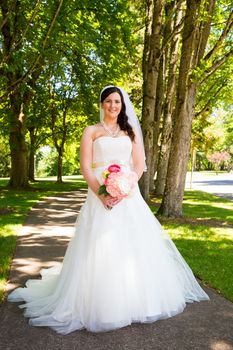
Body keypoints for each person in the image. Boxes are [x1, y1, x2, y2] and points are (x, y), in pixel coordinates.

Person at [8, 86, 209, 334]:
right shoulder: (91, 131)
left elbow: (139, 165)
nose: (113, 105)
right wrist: (102, 194)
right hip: (99, 195)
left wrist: (124, 187)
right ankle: (99, 304)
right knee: (97, 248)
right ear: (102, 104)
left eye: (117, 101)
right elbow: (85, 166)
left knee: (133, 246)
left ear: (122, 105)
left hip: (128, 197)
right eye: (109, 101)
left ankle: (136, 300)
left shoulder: (130, 131)